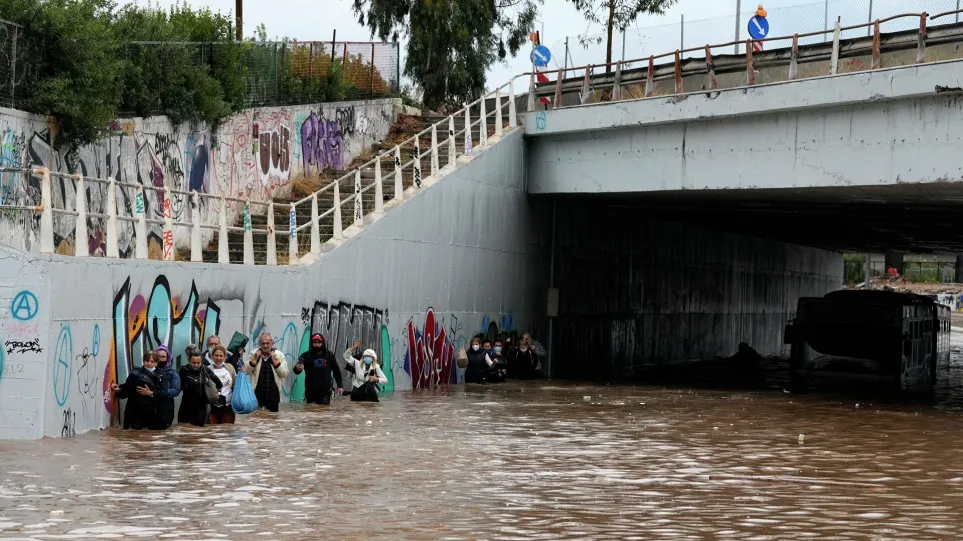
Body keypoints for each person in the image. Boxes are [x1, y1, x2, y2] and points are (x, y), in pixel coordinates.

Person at [110, 351, 163, 430]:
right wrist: (118, 389)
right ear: (143, 361)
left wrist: (151, 393)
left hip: (152, 413)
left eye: (152, 361)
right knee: (132, 437)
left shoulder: (161, 375)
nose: (149, 363)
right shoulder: (136, 373)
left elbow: (164, 393)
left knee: (150, 437)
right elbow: (126, 389)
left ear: (156, 363)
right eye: (146, 360)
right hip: (134, 411)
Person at [293, 333, 343, 405]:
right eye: (315, 342)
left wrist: (340, 386)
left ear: (323, 342)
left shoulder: (329, 355)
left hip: (325, 390)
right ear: (311, 343)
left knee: (323, 412)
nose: (317, 344)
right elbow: (296, 371)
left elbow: (336, 370)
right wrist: (298, 368)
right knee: (311, 411)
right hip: (310, 390)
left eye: (319, 342)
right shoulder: (305, 355)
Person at [177, 347, 223, 427]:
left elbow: (218, 383)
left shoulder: (205, 369)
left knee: (199, 434)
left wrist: (213, 393)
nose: (196, 365)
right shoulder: (184, 371)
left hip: (201, 409)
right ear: (189, 361)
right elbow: (178, 388)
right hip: (186, 408)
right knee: (183, 432)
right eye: (193, 363)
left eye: (198, 363)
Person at [244, 332, 289, 412]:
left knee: (273, 421)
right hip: (256, 394)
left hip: (274, 395)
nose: (265, 346)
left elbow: (284, 373)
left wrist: (275, 362)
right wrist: (255, 360)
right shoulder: (253, 354)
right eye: (263, 343)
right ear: (259, 344)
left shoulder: (279, 355)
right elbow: (245, 371)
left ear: (272, 343)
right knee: (256, 419)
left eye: (267, 343)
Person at [207, 345, 237, 425]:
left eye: (221, 356)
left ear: (225, 357)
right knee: (211, 432)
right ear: (212, 356)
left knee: (226, 433)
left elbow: (235, 384)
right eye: (216, 355)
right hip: (211, 408)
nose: (218, 358)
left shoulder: (230, 368)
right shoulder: (207, 369)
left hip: (227, 408)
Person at [153, 345, 181, 429]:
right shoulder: (150, 372)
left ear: (167, 358)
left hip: (166, 408)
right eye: (158, 356)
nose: (161, 359)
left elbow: (176, 391)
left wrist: (160, 393)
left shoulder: (173, 373)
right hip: (152, 407)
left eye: (163, 357)